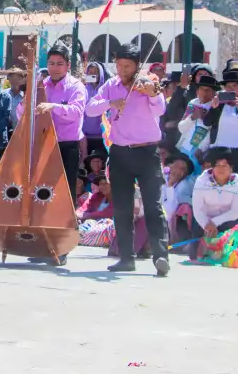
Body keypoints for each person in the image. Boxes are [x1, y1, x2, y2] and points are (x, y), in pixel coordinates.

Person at [85, 43, 170, 276]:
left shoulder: (146, 83)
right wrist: (110, 104)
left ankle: (161, 255)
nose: (123, 70)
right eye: (120, 65)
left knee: (152, 205)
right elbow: (91, 109)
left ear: (137, 66)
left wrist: (152, 92)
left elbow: (160, 109)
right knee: (122, 207)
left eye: (128, 66)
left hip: (147, 152)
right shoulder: (110, 86)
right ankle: (126, 257)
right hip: (120, 152)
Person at [16, 41, 87, 204]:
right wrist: (25, 102)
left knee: (65, 193)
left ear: (68, 65)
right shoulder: (40, 86)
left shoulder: (76, 87)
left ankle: (66, 227)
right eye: (51, 63)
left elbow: (76, 112)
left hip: (66, 146)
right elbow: (21, 116)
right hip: (42, 145)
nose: (55, 68)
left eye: (60, 64)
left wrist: (54, 107)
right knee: (40, 191)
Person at [188, 148, 238, 260]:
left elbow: (236, 211)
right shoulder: (201, 181)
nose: (221, 169)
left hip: (230, 220)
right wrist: (207, 225)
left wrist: (215, 223)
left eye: (225, 165)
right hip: (205, 221)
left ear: (231, 168)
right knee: (195, 256)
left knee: (233, 257)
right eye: (217, 165)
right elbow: (197, 209)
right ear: (212, 167)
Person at [204, 70, 238, 179]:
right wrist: (214, 108)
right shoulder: (218, 105)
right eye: (228, 86)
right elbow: (207, 122)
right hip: (219, 149)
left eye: (234, 85)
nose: (231, 89)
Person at [176, 74, 219, 173]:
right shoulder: (193, 104)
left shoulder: (216, 107)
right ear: (197, 91)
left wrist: (201, 149)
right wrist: (193, 117)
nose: (204, 92)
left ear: (214, 92)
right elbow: (181, 128)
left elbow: (212, 130)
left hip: (203, 153)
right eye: (202, 89)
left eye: (208, 90)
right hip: (186, 148)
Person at [161, 153, 196, 244]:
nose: (178, 171)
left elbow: (170, 210)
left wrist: (170, 186)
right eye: (176, 166)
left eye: (183, 169)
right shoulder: (159, 178)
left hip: (168, 222)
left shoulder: (183, 185)